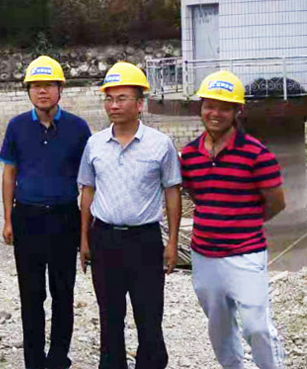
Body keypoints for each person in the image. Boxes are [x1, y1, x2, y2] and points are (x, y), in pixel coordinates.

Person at [77, 61, 182, 369]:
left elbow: (172, 192)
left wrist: (172, 242)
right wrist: (84, 239)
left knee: (149, 315)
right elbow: (87, 191)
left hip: (144, 240)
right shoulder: (95, 144)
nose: (114, 105)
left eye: (121, 98)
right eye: (109, 98)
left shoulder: (160, 145)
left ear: (139, 104)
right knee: (109, 316)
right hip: (104, 238)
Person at [180, 70, 286, 369]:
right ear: (201, 108)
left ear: (238, 111)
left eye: (224, 108)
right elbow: (197, 195)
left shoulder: (257, 154)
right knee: (219, 327)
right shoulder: (189, 155)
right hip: (204, 255)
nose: (215, 113)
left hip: (246, 254)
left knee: (257, 326)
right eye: (209, 106)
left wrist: (244, 221)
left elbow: (276, 203)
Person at [0, 55, 91, 369]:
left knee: (63, 292)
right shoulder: (17, 127)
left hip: (64, 217)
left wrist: (85, 230)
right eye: (35, 85)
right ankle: (34, 360)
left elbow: (88, 182)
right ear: (28, 90)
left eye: (49, 85)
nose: (42, 91)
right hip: (27, 218)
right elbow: (9, 174)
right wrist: (8, 219)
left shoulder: (78, 128)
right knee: (31, 294)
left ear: (60, 89)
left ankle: (58, 357)